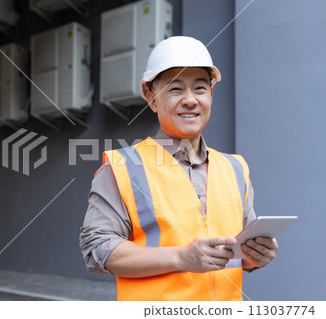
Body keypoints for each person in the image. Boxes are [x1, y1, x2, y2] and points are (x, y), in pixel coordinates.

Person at [79, 36, 278, 301]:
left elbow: (239, 254)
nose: (190, 100)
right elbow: (97, 251)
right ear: (152, 99)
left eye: (199, 88)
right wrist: (181, 257)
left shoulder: (235, 168)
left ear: (211, 95)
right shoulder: (122, 167)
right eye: (175, 90)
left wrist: (256, 256)